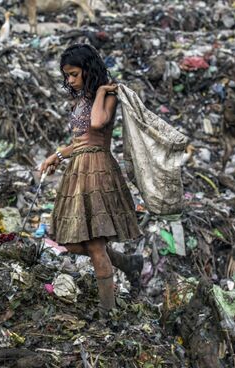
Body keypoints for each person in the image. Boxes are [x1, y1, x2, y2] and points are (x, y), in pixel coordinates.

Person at [40, 44, 143, 315]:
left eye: (74, 74)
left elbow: (98, 125)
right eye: (67, 76)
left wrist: (99, 91)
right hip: (78, 169)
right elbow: (80, 141)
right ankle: (126, 263)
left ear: (88, 69)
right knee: (68, 239)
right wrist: (57, 155)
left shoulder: (107, 93)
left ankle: (108, 312)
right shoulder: (82, 98)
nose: (70, 81)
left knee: (95, 243)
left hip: (98, 169)